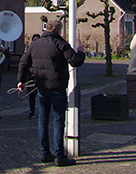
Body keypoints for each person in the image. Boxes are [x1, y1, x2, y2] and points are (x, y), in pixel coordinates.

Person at [17, 19, 85, 167]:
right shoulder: (61, 44)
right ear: (58, 30)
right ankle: (60, 155)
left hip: (41, 87)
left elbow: (23, 62)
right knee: (59, 120)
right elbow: (75, 61)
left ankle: (45, 152)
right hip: (57, 86)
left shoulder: (35, 44)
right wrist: (81, 52)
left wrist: (21, 81)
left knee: (43, 119)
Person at [26, 34, 41, 119]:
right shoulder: (29, 51)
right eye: (34, 40)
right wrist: (29, 68)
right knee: (31, 95)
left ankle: (43, 111)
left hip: (40, 76)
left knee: (42, 94)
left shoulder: (43, 51)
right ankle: (32, 111)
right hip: (31, 77)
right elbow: (25, 62)